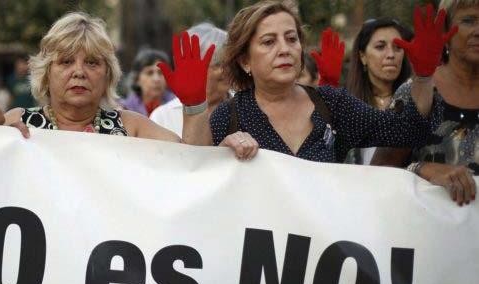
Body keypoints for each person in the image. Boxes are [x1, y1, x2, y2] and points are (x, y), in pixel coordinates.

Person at [160, 1, 452, 165]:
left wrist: (425, 76)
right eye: (268, 42)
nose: (284, 49)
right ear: (245, 61)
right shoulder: (231, 115)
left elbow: (407, 132)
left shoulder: (333, 105)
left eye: (291, 38)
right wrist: (216, 139)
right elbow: (194, 173)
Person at [0, 12, 254, 159]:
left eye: (92, 63)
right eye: (65, 62)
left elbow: (191, 162)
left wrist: (194, 106)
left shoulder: (133, 127)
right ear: (45, 73)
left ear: (108, 75)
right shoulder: (19, 122)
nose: (79, 72)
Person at [372, 0, 478, 206]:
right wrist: (423, 169)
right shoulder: (418, 90)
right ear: (445, 29)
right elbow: (379, 172)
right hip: (425, 233)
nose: (478, 30)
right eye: (468, 20)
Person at [344, 18, 414, 164]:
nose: (391, 55)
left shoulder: (417, 101)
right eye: (380, 47)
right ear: (362, 56)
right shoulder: (345, 106)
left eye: (398, 47)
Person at [150, 22, 230, 137]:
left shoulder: (245, 107)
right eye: (218, 64)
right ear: (194, 67)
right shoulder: (163, 117)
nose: (226, 70)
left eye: (229, 64)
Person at [120, 48, 175, 117]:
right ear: (137, 79)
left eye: (161, 73)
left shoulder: (178, 106)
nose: (156, 79)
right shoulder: (124, 110)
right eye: (149, 73)